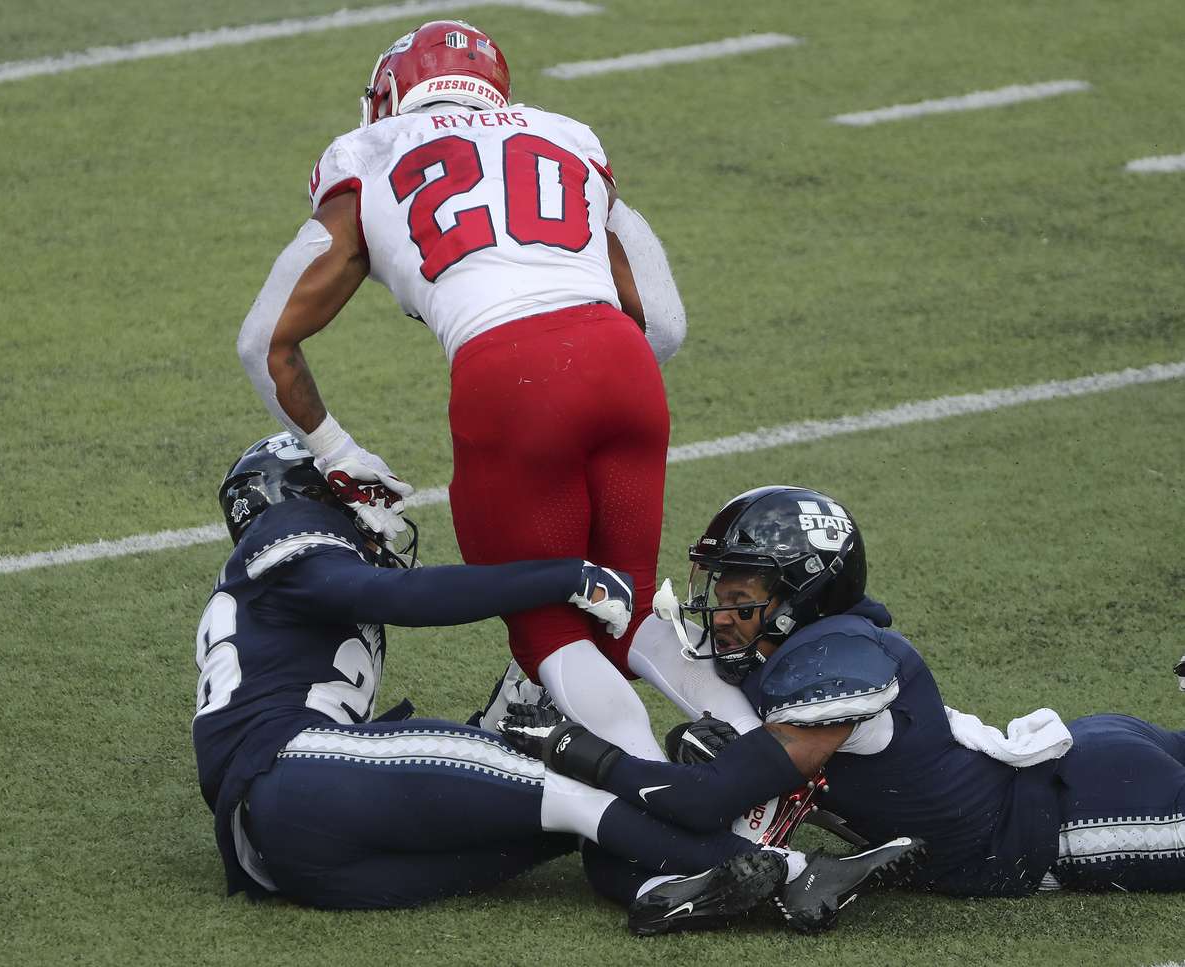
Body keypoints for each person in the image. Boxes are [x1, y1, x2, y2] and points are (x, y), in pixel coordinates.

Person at [192, 436, 919, 933]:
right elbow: (401, 601)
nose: (368, 504)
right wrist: (560, 574)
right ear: (298, 493)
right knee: (567, 790)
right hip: (292, 770)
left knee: (546, 827)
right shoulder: (285, 532)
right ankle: (795, 871)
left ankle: (656, 888)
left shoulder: (272, 593)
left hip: (290, 848)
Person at [235, 19, 687, 760]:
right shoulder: (568, 135)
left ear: (389, 93)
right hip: (624, 372)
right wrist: (597, 377)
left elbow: (264, 342)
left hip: (509, 382)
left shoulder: (366, 153)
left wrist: (337, 450)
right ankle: (756, 764)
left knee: (545, 623)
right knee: (628, 614)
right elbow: (663, 324)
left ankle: (659, 800)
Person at [500, 485, 1185, 898]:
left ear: (800, 598)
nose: (723, 615)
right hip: (1080, 762)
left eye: (741, 598)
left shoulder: (835, 669)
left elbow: (704, 800)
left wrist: (573, 748)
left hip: (1064, 820)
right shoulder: (817, 644)